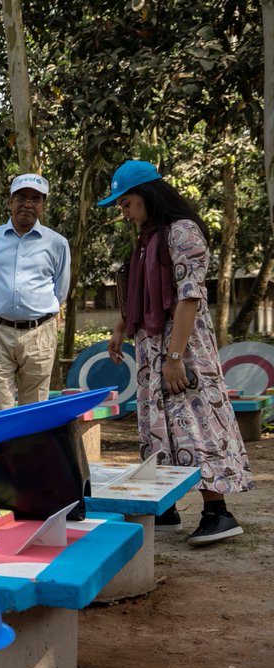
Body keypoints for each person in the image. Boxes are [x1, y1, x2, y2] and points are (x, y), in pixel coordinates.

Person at [101, 159, 254, 546]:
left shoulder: (182, 232)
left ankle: (218, 512)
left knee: (195, 421)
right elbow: (140, 294)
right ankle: (164, 507)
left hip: (182, 348)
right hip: (155, 348)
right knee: (159, 424)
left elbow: (189, 297)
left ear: (149, 196)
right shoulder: (148, 237)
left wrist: (175, 357)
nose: (124, 212)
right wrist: (123, 327)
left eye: (127, 203)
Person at [0, 173, 70, 412]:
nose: (28, 203)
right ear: (10, 202)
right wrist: (0, 311)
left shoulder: (56, 243)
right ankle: (3, 451)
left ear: (42, 206)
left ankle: (30, 452)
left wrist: (35, 314)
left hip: (39, 334)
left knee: (35, 407)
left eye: (35, 199)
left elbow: (61, 290)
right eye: (21, 197)